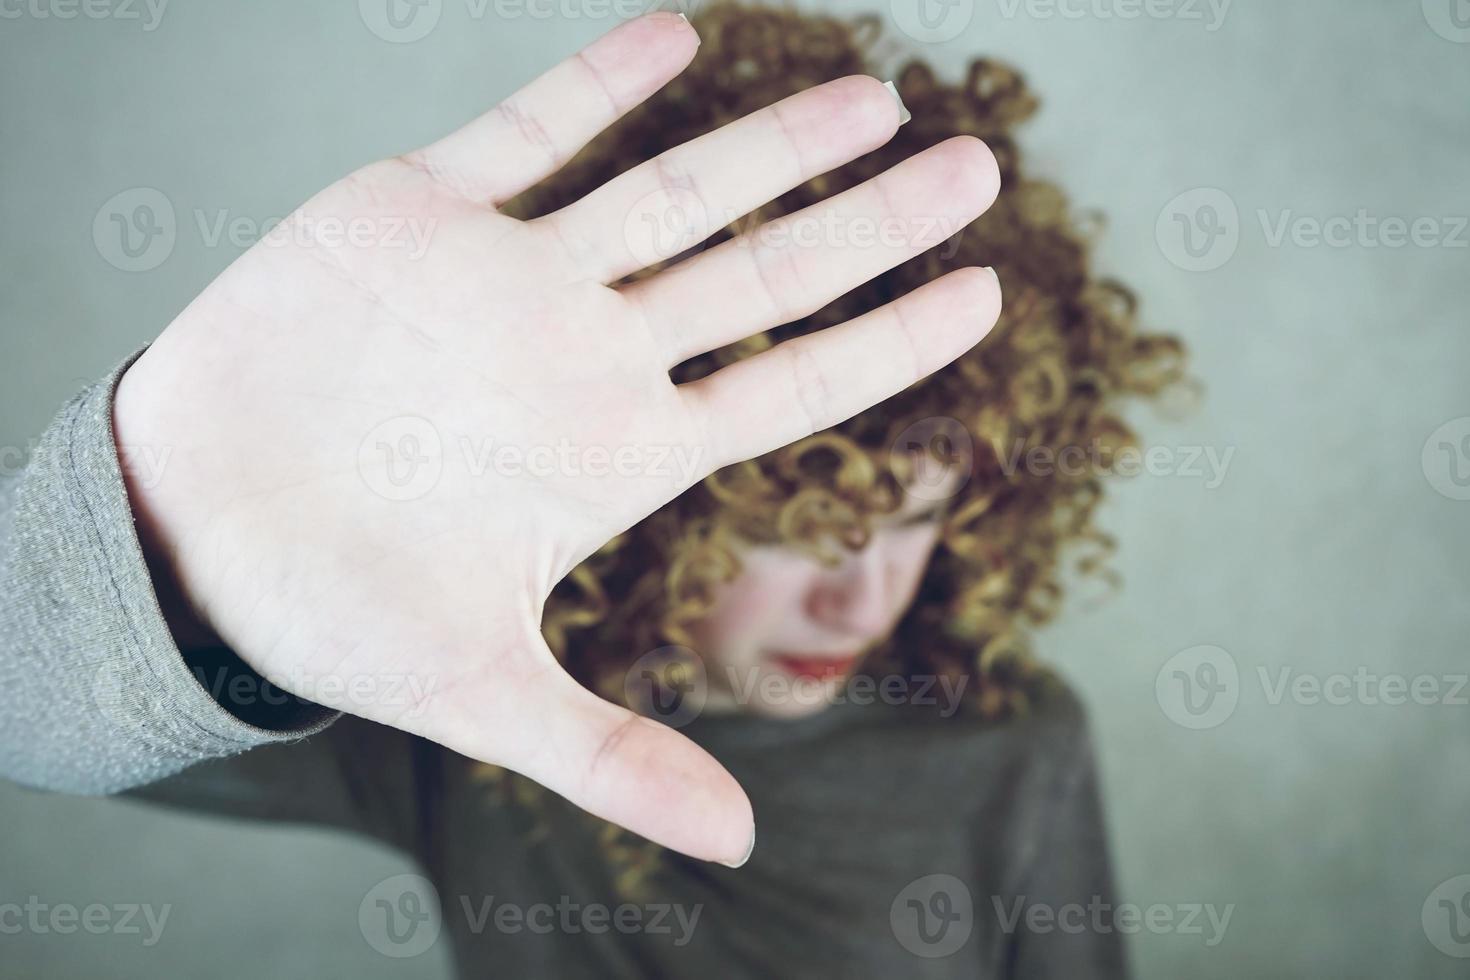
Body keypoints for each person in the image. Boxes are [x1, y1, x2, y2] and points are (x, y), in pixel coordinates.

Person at [0, 5, 1182, 976]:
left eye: (917, 524)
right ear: (657, 505)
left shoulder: (1013, 745)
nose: (856, 600)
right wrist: (171, 533)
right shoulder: (459, 702)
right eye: (799, 531)